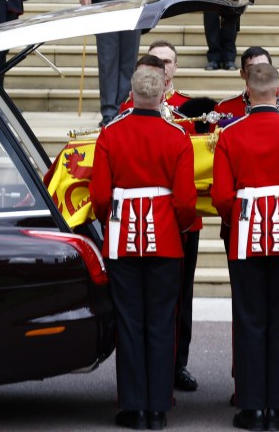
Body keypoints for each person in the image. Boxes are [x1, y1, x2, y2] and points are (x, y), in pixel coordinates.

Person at [212, 63, 279, 431]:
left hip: (245, 234)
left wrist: (236, 217)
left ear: (248, 88)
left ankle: (250, 406)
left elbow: (222, 196)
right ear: (278, 91)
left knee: (248, 320)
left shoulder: (231, 132)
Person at [90, 64, 197, 431]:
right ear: (161, 95)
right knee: (162, 322)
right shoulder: (177, 135)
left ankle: (133, 406)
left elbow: (100, 195)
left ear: (132, 95)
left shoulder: (111, 133)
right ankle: (157, 406)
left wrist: (111, 220)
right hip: (165, 238)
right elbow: (185, 201)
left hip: (122, 239)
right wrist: (177, 226)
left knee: (130, 323)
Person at [214, 47, 279, 125]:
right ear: (242, 74)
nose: (258, 72)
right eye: (251, 68)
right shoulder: (224, 108)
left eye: (264, 67)